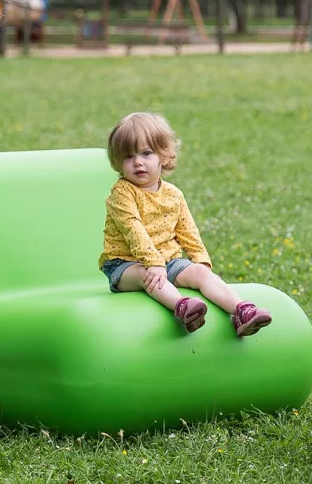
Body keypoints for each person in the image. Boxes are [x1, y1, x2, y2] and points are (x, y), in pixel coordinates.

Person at [99, 112, 272, 336]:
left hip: (168, 261)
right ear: (118, 162)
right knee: (146, 275)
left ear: (164, 156)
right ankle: (182, 308)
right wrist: (153, 264)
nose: (138, 162)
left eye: (146, 153)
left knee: (200, 273)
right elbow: (133, 229)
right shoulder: (122, 193)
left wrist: (200, 261)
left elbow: (187, 230)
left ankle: (242, 311)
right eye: (128, 156)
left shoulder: (173, 194)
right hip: (125, 265)